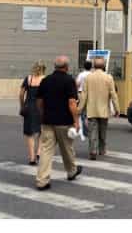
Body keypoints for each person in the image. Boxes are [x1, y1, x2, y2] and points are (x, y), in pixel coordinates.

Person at [35, 55, 81, 190]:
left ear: (54, 66)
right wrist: (76, 121)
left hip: (48, 120)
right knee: (67, 148)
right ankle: (71, 171)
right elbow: (72, 103)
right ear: (66, 67)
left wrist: (42, 114)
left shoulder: (46, 80)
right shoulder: (69, 81)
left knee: (45, 151)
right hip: (64, 121)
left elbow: (39, 101)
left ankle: (42, 180)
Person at [79, 56, 118, 160]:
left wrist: (79, 109)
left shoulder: (88, 77)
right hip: (104, 110)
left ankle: (92, 151)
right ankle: (102, 150)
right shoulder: (109, 77)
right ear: (104, 65)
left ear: (93, 66)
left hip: (91, 110)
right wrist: (117, 108)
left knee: (92, 132)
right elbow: (113, 94)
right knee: (103, 131)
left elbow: (84, 95)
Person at [20, 62, 45, 165]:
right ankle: (39, 151)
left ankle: (32, 158)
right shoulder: (45, 79)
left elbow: (21, 94)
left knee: (29, 133)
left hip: (29, 107)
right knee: (42, 131)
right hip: (42, 107)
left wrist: (22, 105)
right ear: (43, 69)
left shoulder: (28, 79)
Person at [75, 60, 93, 140]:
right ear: (91, 67)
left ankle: (85, 130)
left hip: (81, 93)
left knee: (82, 112)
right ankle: (91, 128)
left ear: (84, 66)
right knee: (89, 111)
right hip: (91, 94)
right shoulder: (92, 75)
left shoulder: (81, 74)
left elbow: (77, 84)